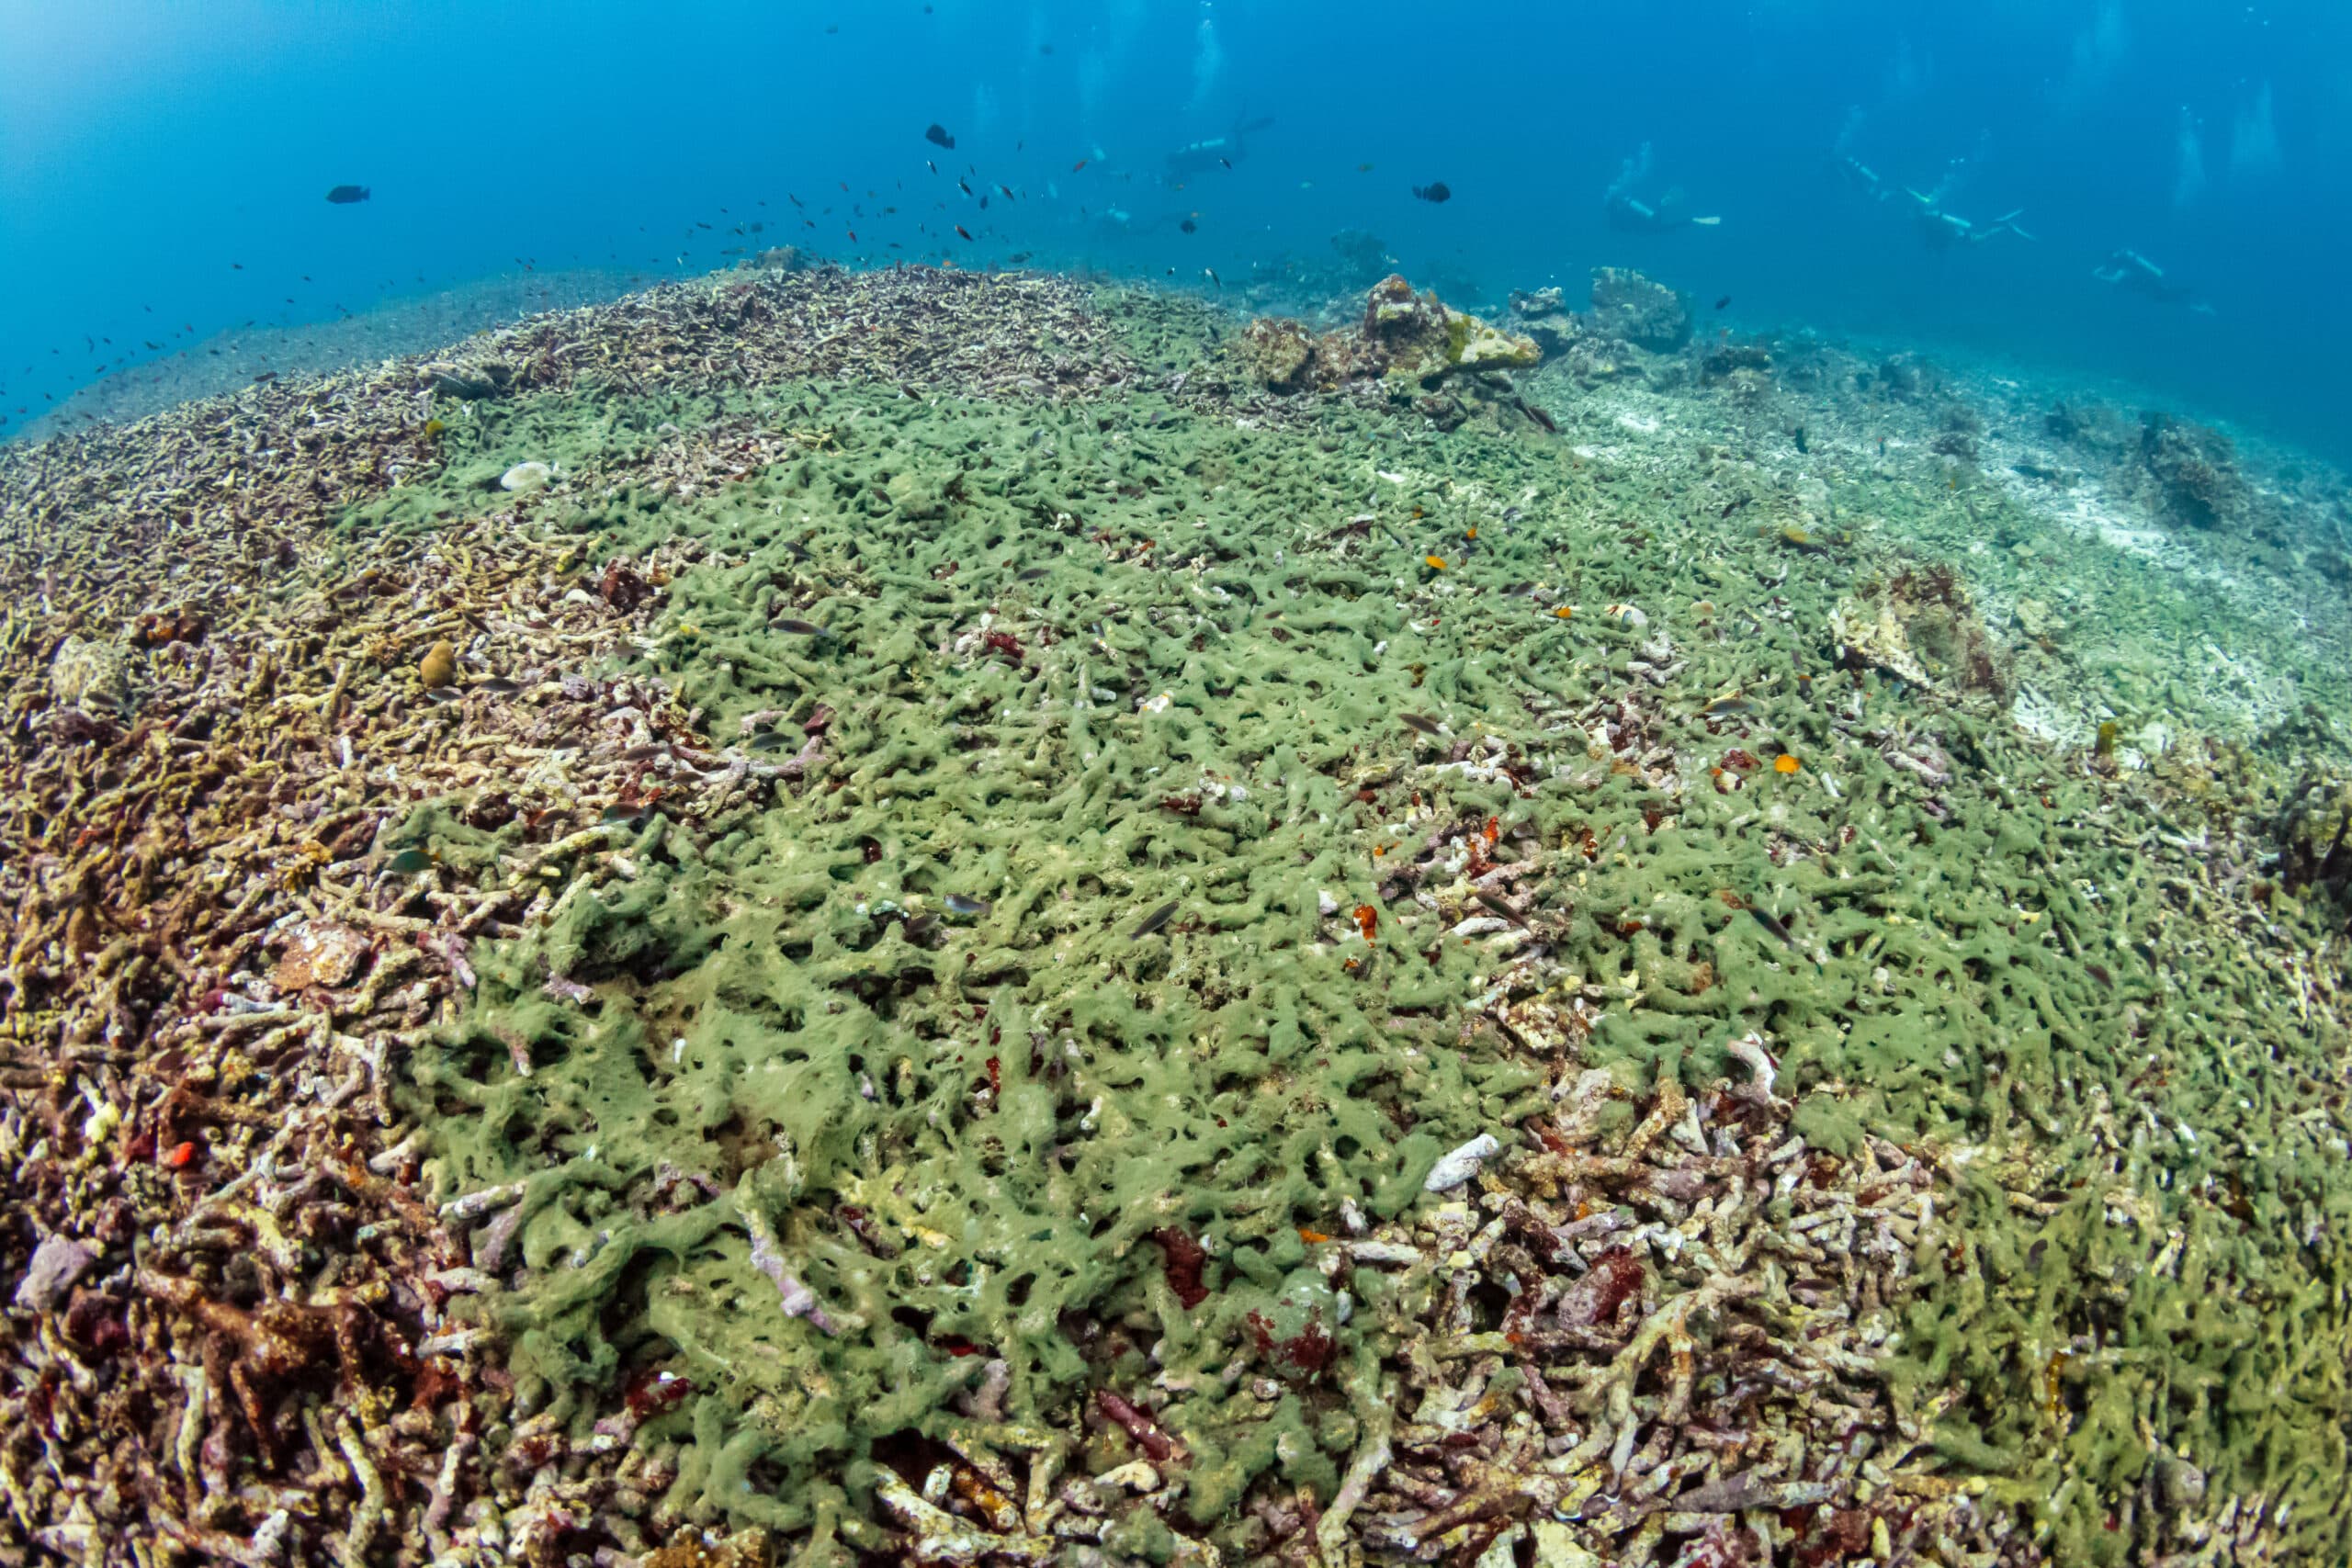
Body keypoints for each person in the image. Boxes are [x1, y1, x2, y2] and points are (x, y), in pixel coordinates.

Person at [1603, 142, 1721, 234]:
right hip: (1650, 223)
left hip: (1649, 224)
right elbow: (1647, 216)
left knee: (1667, 224)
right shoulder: (1623, 205)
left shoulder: (1621, 207)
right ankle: (1690, 217)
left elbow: (1646, 216)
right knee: (1667, 223)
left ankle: (1690, 217)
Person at [2093, 249, 2214, 312]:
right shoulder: (2125, 263)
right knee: (2168, 296)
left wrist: (2098, 276)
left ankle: (2195, 297)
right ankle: (2196, 304)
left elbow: (2115, 280)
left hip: (2149, 286)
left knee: (2168, 296)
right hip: (2149, 285)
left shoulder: (2124, 266)